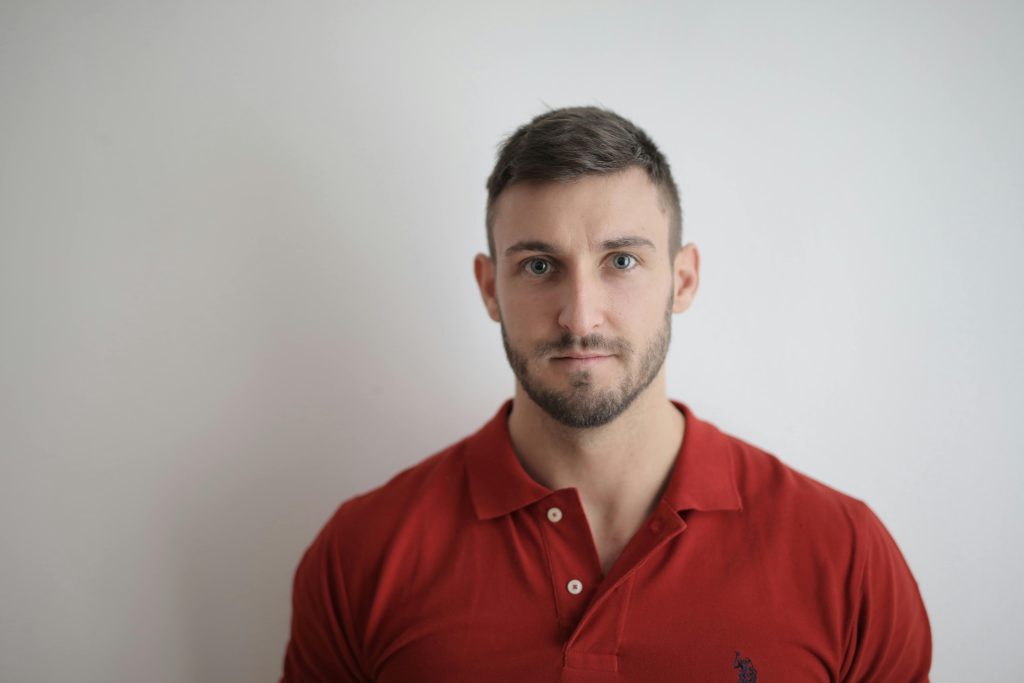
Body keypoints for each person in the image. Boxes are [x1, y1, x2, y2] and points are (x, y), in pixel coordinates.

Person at [281, 106, 931, 682]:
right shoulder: (361, 554)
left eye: (621, 261)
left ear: (682, 279)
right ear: (488, 288)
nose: (580, 316)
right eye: (539, 265)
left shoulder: (844, 554)